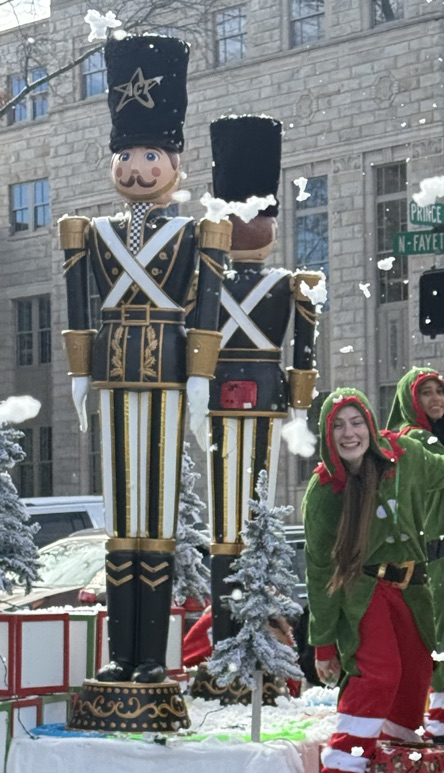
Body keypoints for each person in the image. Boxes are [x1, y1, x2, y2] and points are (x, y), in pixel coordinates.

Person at [59, 34, 230, 683]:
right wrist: (80, 373)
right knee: (119, 522)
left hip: (163, 381)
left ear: (174, 162)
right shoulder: (91, 232)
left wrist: (198, 379)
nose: (136, 167)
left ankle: (149, 660)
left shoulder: (195, 233)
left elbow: (207, 307)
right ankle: (120, 654)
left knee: (154, 520)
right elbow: (79, 304)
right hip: (116, 378)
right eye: (127, 154)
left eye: (150, 153)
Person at [303, 388, 444, 773]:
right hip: (363, 591)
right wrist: (324, 641)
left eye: (356, 422)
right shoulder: (326, 491)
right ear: (328, 435)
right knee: (380, 672)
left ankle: (392, 754)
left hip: (414, 588)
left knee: (416, 671)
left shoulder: (408, 456)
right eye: (338, 425)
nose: (349, 434)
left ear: (370, 424)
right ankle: (342, 768)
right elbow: (319, 570)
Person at [204, 114, 323, 654]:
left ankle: (253, 641)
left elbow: (304, 350)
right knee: (223, 517)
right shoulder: (205, 280)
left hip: (264, 400)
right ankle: (228, 638)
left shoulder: (290, 284)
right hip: (221, 399)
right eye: (236, 216)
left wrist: (299, 407)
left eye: (258, 217)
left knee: (257, 506)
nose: (247, 229)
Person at [388, 368, 444, 744]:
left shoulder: (433, 438)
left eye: (440, 391)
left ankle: (443, 719)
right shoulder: (418, 439)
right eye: (425, 393)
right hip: (441, 558)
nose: (436, 399)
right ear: (411, 401)